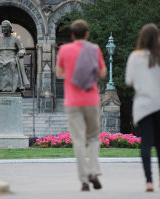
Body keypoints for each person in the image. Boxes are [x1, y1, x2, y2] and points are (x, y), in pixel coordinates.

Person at [125, 23, 160, 192]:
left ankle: (149, 181)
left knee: (146, 144)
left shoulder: (134, 57)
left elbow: (129, 81)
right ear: (158, 39)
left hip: (143, 105)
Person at [56, 19, 107, 191]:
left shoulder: (64, 49)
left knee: (78, 141)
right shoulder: (94, 49)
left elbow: (58, 72)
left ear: (72, 35)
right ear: (87, 34)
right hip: (91, 100)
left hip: (72, 102)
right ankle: (93, 171)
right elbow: (102, 72)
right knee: (93, 138)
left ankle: (84, 181)